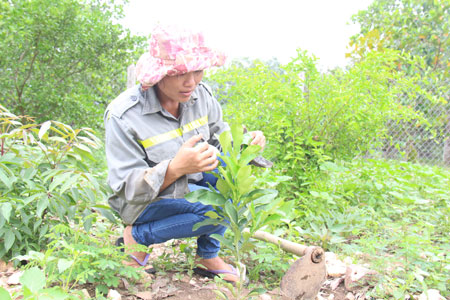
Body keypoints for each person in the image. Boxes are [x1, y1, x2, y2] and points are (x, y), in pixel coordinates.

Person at [104, 26, 266, 283]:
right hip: (142, 202)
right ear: (160, 74)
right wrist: (175, 169)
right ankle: (137, 237)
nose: (190, 82)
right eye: (180, 74)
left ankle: (207, 256)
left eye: (198, 71)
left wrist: (246, 143)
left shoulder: (200, 96)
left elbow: (219, 139)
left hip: (190, 186)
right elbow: (127, 189)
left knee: (236, 184)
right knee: (221, 212)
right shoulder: (124, 116)